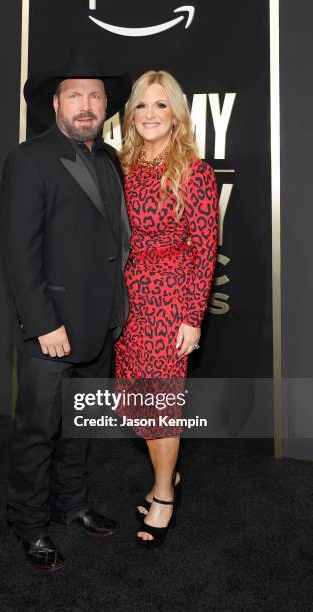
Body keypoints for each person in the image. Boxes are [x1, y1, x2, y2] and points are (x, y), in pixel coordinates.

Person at [0, 49, 131, 571]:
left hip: (100, 324)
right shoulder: (28, 159)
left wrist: (117, 311)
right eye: (74, 95)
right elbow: (18, 251)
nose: (86, 104)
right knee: (38, 434)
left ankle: (72, 504)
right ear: (55, 103)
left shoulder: (109, 158)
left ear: (105, 106)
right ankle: (28, 524)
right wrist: (43, 322)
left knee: (80, 425)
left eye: (95, 96)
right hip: (52, 330)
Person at [114, 70, 219, 548]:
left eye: (160, 105)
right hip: (128, 297)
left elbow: (204, 248)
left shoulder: (194, 171)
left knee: (161, 406)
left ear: (175, 113)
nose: (150, 114)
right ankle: (166, 477)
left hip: (171, 297)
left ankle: (163, 493)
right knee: (137, 401)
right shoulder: (122, 166)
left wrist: (192, 316)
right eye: (141, 105)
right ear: (131, 114)